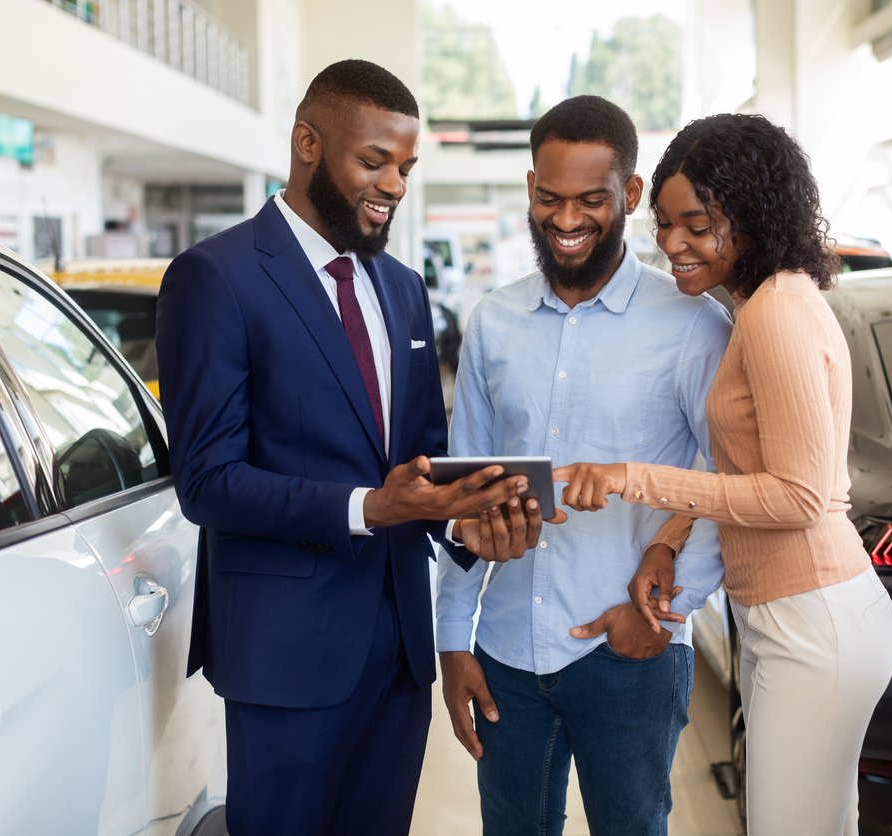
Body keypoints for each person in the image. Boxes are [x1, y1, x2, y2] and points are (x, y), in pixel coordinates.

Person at [155, 59, 532, 836]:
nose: (394, 183)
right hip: (285, 655)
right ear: (306, 143)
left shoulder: (400, 287)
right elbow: (207, 481)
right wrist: (368, 508)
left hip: (397, 651)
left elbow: (421, 461)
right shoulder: (215, 277)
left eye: (405, 166)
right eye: (374, 160)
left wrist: (467, 522)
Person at [556, 113, 892, 836]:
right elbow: (738, 465)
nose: (674, 244)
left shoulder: (775, 312)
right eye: (666, 225)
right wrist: (670, 540)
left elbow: (799, 494)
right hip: (798, 611)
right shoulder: (765, 302)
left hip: (812, 616)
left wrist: (629, 477)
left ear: (750, 215)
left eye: (697, 224)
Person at [435, 95, 731, 836]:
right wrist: (451, 639)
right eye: (549, 198)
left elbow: (730, 487)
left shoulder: (694, 325)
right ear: (531, 188)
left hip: (628, 650)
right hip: (504, 650)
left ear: (630, 196)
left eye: (590, 201)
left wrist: (667, 612)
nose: (566, 221)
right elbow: (463, 496)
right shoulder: (494, 322)